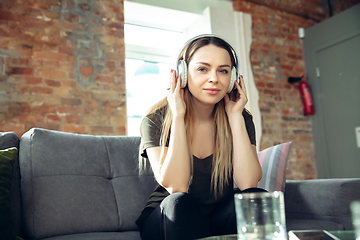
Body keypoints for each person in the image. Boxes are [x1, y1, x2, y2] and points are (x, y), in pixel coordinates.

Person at [136, 34, 264, 240]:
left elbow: (249, 182)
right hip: (171, 216)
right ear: (183, 74)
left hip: (217, 216)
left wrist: (234, 117)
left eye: (223, 71)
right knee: (179, 203)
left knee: (255, 199)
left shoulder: (240, 117)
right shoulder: (156, 119)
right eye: (203, 69)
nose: (214, 78)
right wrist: (178, 115)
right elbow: (176, 186)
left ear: (232, 78)